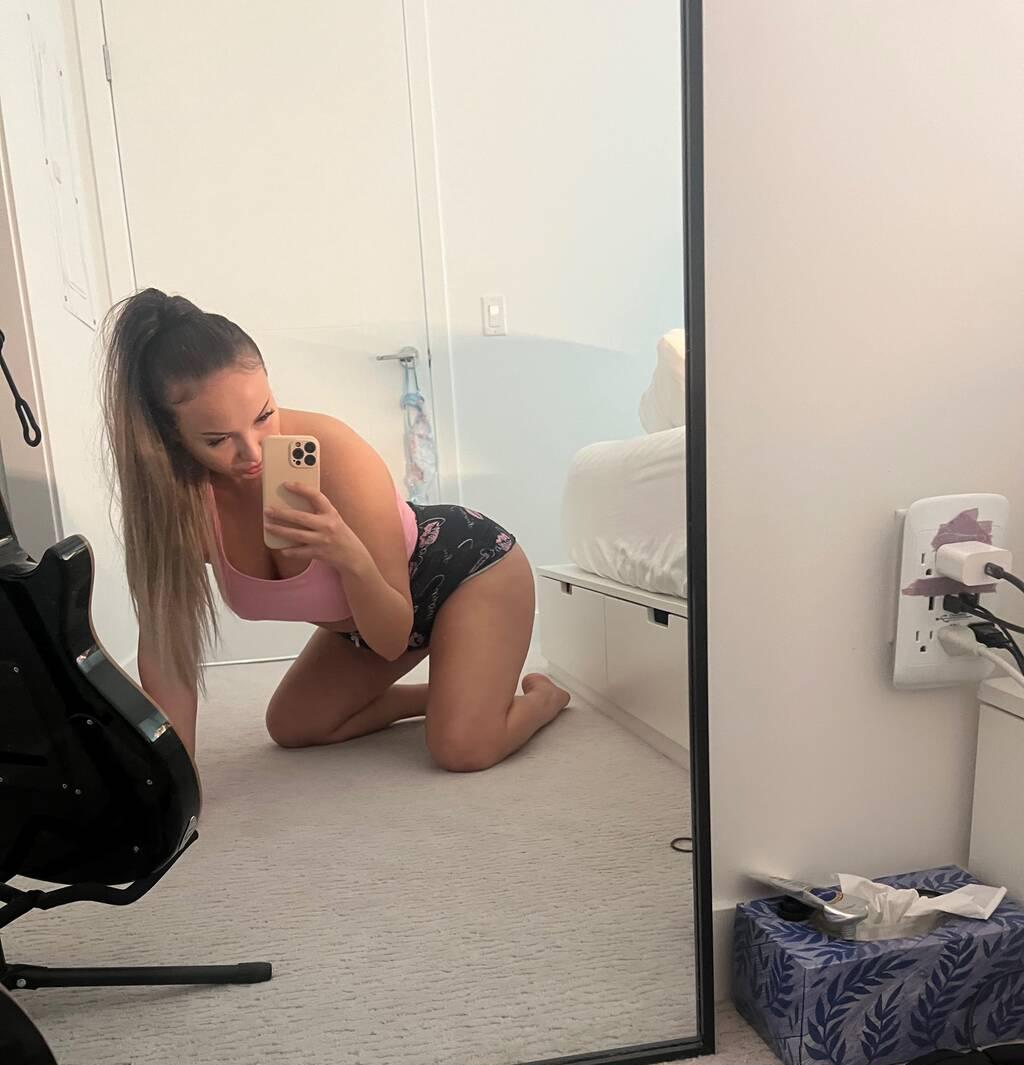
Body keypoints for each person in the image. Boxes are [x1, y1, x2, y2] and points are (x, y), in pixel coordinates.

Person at [99, 288, 569, 771]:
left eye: (264, 416)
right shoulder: (174, 504)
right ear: (170, 437)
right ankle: (450, 696)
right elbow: (166, 651)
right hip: (366, 623)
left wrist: (348, 554)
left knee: (461, 749)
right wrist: (175, 778)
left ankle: (542, 700)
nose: (253, 452)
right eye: (218, 440)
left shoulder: (334, 451)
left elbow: (391, 639)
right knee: (293, 725)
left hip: (465, 569)